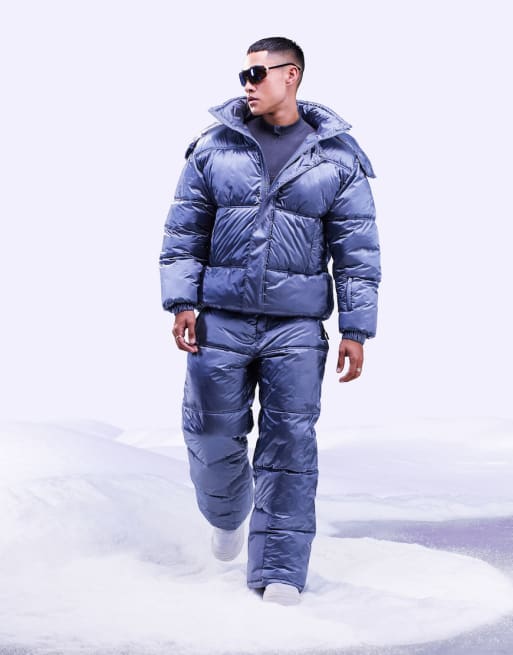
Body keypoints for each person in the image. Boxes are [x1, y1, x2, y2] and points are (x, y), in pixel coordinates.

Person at [159, 36, 381, 606]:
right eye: (243, 75)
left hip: (296, 327)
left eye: (256, 73)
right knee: (209, 430)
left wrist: (356, 329)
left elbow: (357, 252)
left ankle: (279, 572)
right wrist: (182, 302)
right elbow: (184, 232)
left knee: (290, 444)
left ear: (291, 75)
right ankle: (227, 512)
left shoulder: (338, 158)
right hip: (220, 319)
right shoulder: (215, 148)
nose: (247, 84)